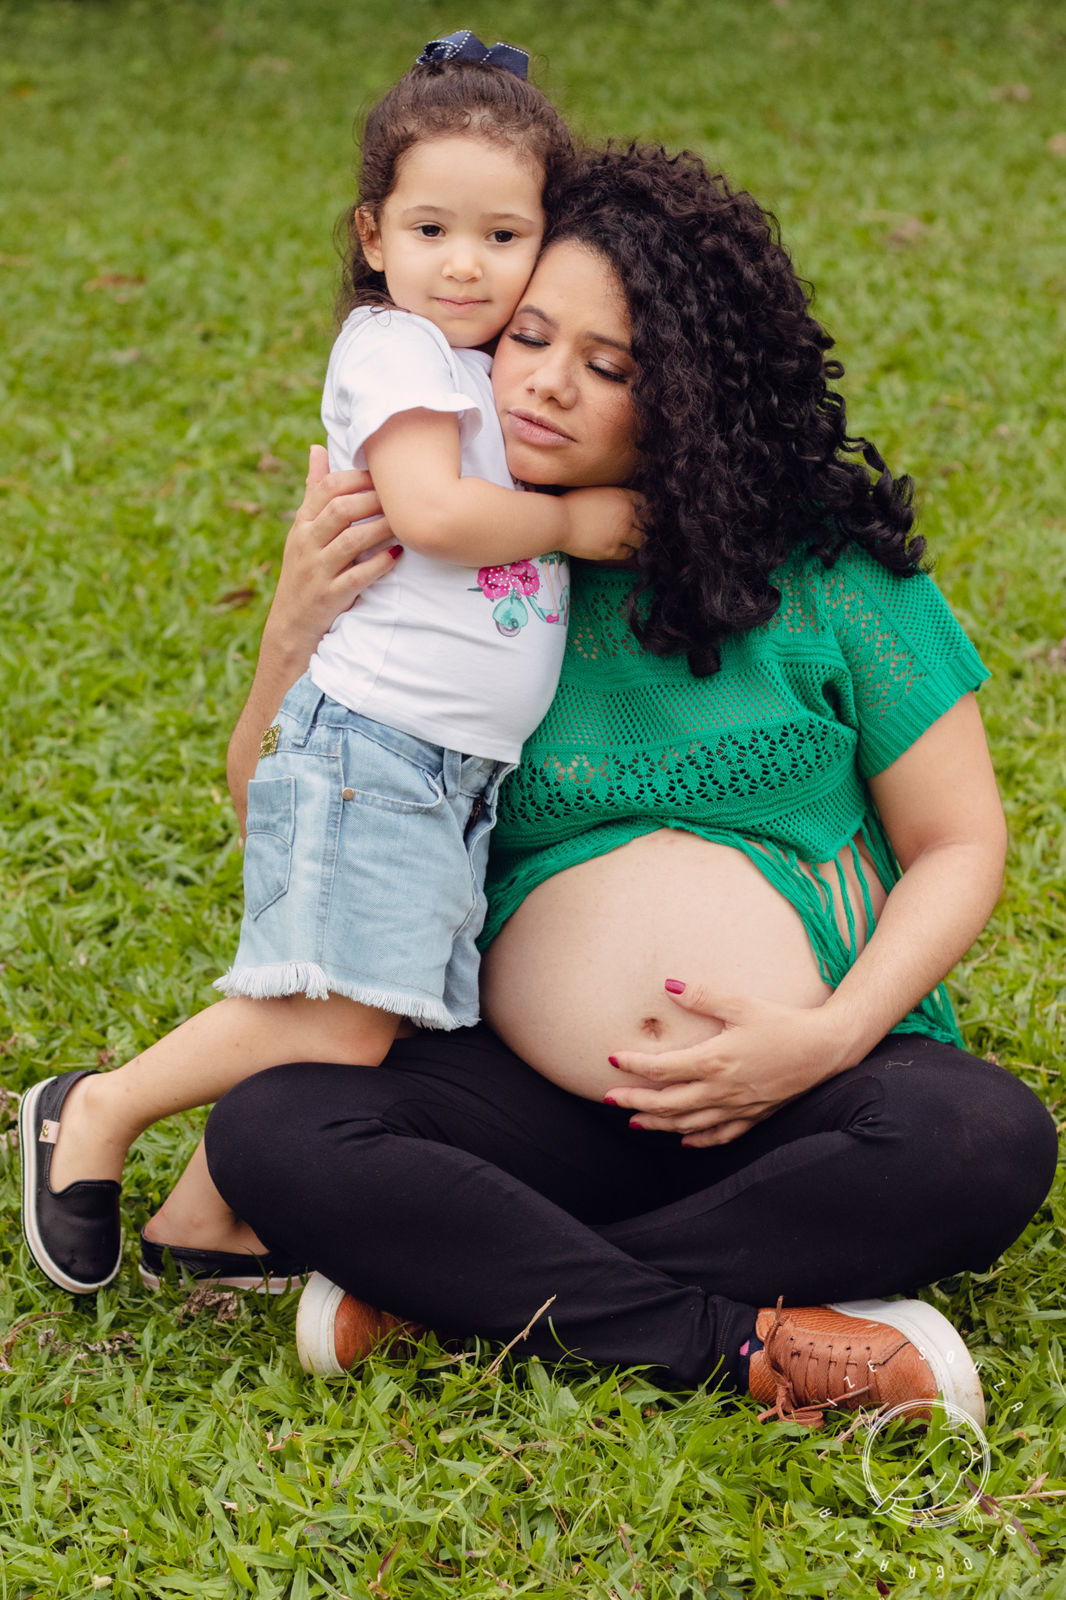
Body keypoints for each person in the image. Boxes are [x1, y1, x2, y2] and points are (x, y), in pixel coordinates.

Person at [200, 143, 1057, 1427]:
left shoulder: (827, 573)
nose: (545, 386)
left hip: (803, 1092)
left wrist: (822, 1039)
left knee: (986, 1138)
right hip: (534, 1108)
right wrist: (288, 635)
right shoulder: (438, 567)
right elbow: (280, 819)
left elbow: (958, 842)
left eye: (608, 367)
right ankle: (740, 1343)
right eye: (526, 336)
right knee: (272, 1128)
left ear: (694, 395)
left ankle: (458, 1291)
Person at [18, 32, 639, 1297]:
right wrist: (585, 520)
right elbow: (435, 515)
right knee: (338, 1011)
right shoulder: (394, 353)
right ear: (371, 235)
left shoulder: (486, 367)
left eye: (504, 235)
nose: (465, 263)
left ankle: (204, 1221)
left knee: (374, 1020)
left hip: (445, 765)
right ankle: (90, 1112)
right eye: (430, 228)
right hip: (377, 743)